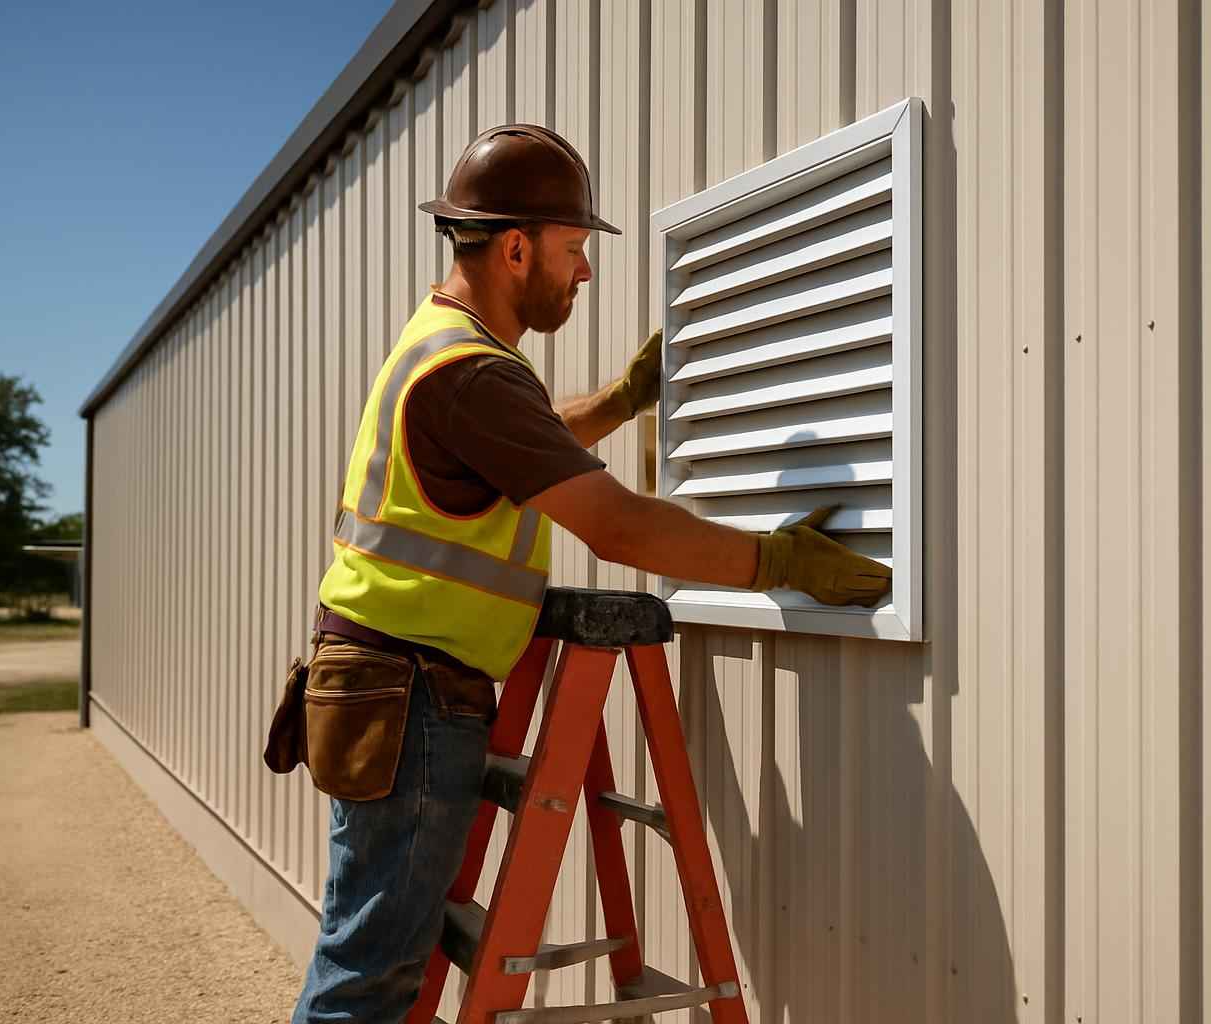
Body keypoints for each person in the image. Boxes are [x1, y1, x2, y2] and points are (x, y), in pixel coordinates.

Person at [290, 123, 889, 1023]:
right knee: (369, 976)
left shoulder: (450, 344)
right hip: (410, 701)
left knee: (375, 959)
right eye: (573, 249)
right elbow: (613, 523)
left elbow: (520, 449)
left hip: (393, 689)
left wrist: (617, 401)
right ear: (517, 247)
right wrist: (776, 560)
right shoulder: (471, 375)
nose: (585, 270)